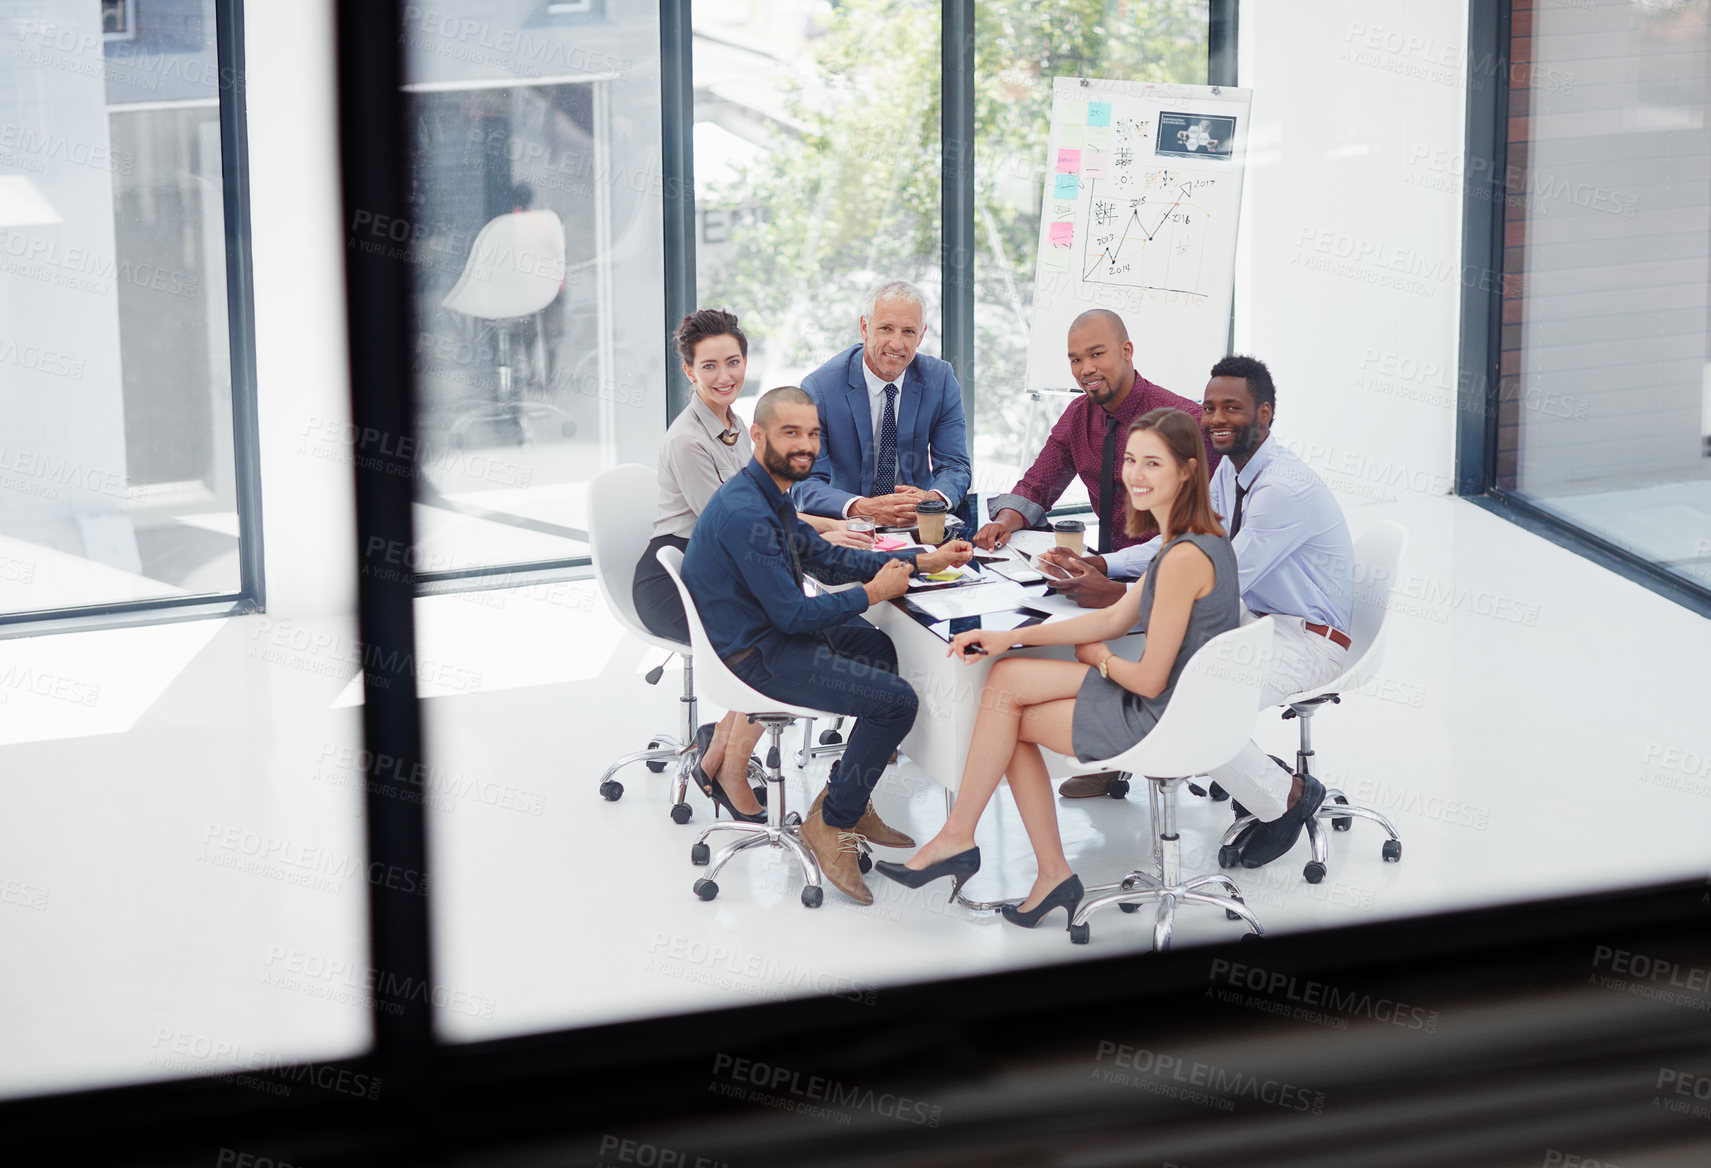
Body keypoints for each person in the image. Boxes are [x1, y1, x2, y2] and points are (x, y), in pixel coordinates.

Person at [875, 408, 1238, 928]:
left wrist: (1103, 660)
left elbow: (1149, 678)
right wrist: (1011, 637)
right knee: (1005, 676)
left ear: (1186, 471)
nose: (1135, 473)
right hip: (1184, 700)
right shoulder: (1191, 540)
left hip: (1164, 712)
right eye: (1131, 459)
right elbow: (1113, 616)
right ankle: (976, 844)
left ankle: (1013, 858)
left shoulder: (1181, 558)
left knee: (1011, 723)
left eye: (1152, 463)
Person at [1033, 356, 1353, 870]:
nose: (1216, 419)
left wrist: (1115, 597)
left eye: (1233, 407)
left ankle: (1285, 800)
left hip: (1309, 640)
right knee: (1163, 674)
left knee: (1190, 697)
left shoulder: (1281, 491)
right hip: (1258, 625)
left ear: (1265, 414)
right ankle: (1259, 778)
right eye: (1209, 408)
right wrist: (1103, 562)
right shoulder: (1230, 471)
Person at [683, 386, 974, 905]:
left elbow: (823, 558)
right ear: (758, 435)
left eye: (813, 434)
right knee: (896, 701)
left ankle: (848, 797)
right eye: (790, 433)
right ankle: (831, 823)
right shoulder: (747, 512)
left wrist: (919, 562)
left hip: (767, 632)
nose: (806, 445)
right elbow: (792, 615)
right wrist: (873, 592)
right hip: (756, 655)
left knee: (879, 649)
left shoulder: (767, 493)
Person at [632, 309, 872, 823]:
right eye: (710, 366)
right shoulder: (687, 440)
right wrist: (825, 528)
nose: (725, 377)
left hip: (719, 566)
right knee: (778, 639)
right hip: (676, 577)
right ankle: (729, 767)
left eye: (734, 362)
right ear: (689, 371)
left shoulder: (736, 424)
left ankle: (718, 752)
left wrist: (815, 531)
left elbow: (763, 508)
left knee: (788, 624)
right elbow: (738, 523)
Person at [973, 308, 1211, 555]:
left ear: (1126, 351)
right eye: (1075, 360)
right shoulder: (1078, 416)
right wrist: (1003, 522)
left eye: (1096, 354)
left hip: (1172, 568)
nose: (1085, 369)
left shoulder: (1185, 422)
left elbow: (1209, 527)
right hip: (1106, 567)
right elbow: (1037, 486)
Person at [793, 280, 973, 529]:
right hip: (850, 525)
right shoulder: (820, 388)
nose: (896, 344)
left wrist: (932, 500)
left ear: (921, 335)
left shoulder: (939, 379)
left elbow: (955, 466)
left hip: (916, 520)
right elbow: (805, 483)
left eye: (908, 331)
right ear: (865, 328)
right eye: (886, 328)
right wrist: (864, 509)